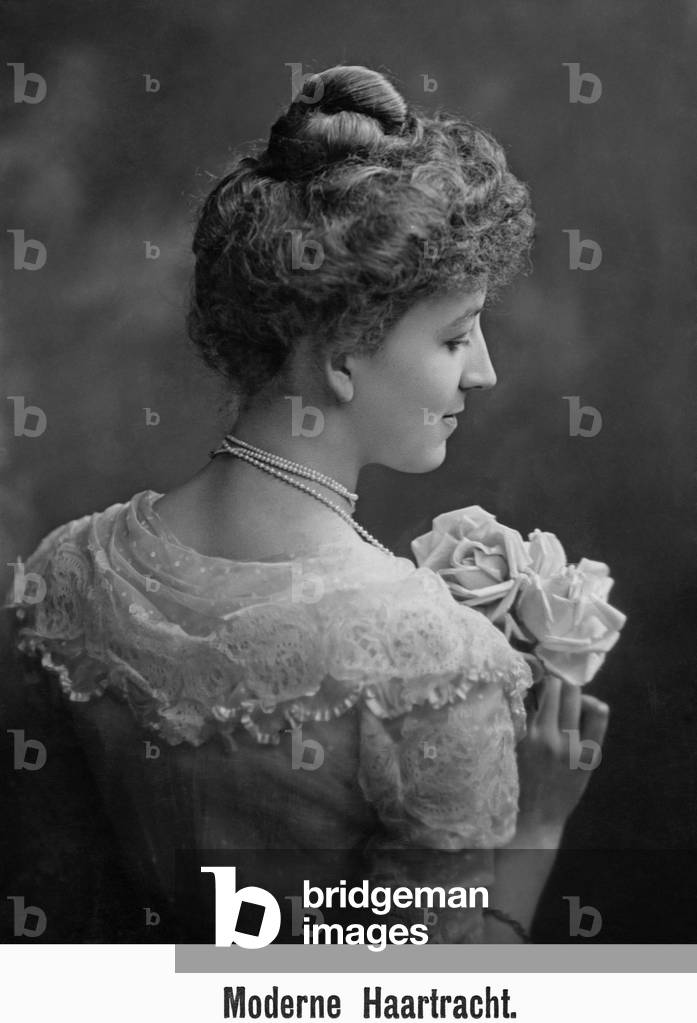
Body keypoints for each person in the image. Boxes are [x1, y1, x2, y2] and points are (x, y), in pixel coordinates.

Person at [2, 64, 609, 944]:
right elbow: (439, 988)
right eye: (453, 335)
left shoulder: (65, 573)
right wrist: (541, 821)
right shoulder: (432, 661)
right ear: (340, 355)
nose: (483, 372)